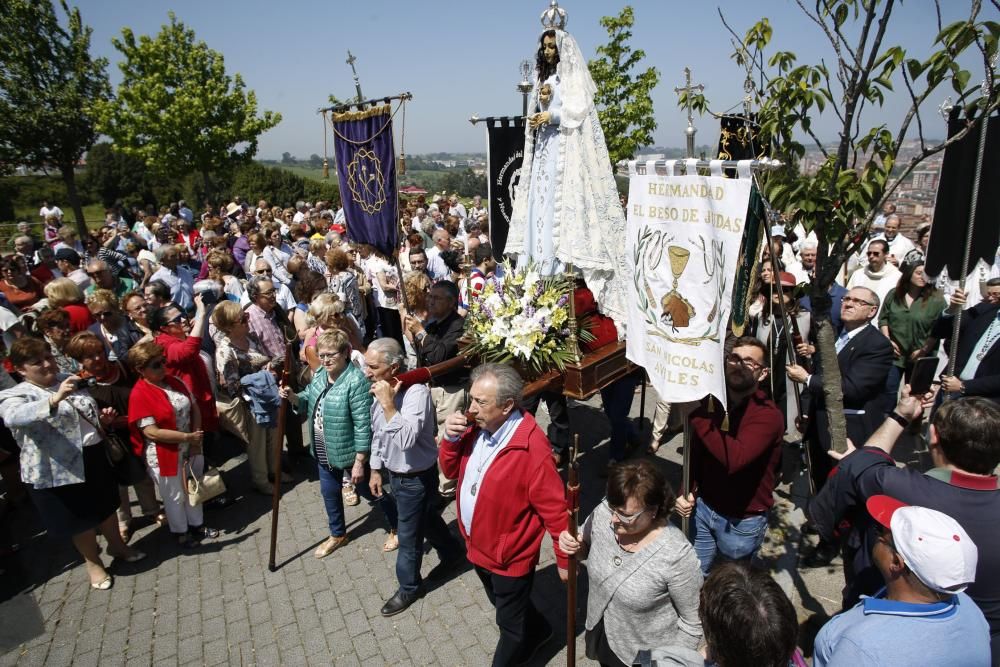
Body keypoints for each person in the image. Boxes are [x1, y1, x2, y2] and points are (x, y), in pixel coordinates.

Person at [808, 394, 1000, 658]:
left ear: (933, 436)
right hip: (979, 644)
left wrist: (900, 415)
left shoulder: (898, 487)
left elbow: (865, 460)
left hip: (889, 640)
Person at [440, 363, 568, 666]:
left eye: (480, 402)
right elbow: (450, 470)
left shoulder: (532, 449)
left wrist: (564, 559)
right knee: (503, 602)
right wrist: (450, 439)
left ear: (508, 405)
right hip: (477, 547)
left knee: (509, 627)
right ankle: (540, 630)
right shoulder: (474, 427)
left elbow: (555, 509)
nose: (471, 409)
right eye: (471, 399)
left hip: (508, 557)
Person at [0, 337, 145, 589]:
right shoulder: (15, 394)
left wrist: (101, 419)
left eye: (48, 357)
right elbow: (14, 417)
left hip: (94, 455)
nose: (47, 364)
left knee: (106, 506)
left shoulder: (67, 376)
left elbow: (83, 409)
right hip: (58, 469)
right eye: (37, 362)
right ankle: (93, 563)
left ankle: (117, 546)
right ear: (21, 369)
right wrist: (53, 400)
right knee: (80, 519)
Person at [507, 27, 628, 324]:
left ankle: (558, 273)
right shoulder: (543, 79)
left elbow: (578, 111)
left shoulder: (571, 78)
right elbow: (542, 108)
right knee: (538, 208)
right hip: (544, 154)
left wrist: (552, 115)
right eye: (545, 47)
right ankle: (536, 273)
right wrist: (536, 116)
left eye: (552, 46)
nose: (548, 51)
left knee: (557, 212)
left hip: (565, 154)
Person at [812, 495, 989, 666]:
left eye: (880, 533)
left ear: (896, 562)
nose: (877, 536)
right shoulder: (969, 608)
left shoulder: (859, 648)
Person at [558, 459, 702, 666]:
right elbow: (583, 546)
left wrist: (669, 663)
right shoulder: (606, 512)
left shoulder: (677, 555)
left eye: (625, 515)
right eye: (612, 507)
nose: (613, 519)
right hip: (603, 635)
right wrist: (573, 545)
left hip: (644, 658)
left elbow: (693, 624)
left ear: (653, 510)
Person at [364, 338, 464, 616]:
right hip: (396, 476)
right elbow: (379, 433)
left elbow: (406, 439)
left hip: (416, 477)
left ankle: (409, 587)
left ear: (394, 366)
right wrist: (375, 468)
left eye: (373, 366)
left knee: (408, 537)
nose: (367, 372)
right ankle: (454, 554)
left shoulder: (415, 393)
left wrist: (388, 405)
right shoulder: (384, 389)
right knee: (426, 517)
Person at [278, 330, 398, 559]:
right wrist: (293, 396)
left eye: (331, 355)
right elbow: (308, 398)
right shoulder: (321, 373)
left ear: (345, 353)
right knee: (329, 492)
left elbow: (363, 425)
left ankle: (397, 525)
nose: (325, 360)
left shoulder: (356, 382)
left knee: (373, 491)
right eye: (321, 355)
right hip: (323, 449)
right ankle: (338, 534)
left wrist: (360, 461)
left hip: (350, 453)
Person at [674, 337, 785, 575]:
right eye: (734, 358)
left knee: (730, 586)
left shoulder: (768, 415)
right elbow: (699, 450)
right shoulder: (713, 400)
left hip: (741, 522)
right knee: (695, 573)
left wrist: (696, 413)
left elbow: (735, 458)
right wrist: (688, 489)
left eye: (749, 361)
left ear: (763, 373)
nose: (739, 365)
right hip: (703, 508)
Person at [788, 287, 894, 492]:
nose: (848, 304)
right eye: (846, 299)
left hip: (848, 428)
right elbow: (822, 370)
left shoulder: (877, 345)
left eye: (857, 301)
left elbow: (852, 388)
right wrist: (806, 411)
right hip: (818, 422)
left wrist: (807, 379)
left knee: (842, 484)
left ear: (872, 312)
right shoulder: (833, 334)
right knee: (819, 478)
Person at [65, 332, 162, 543]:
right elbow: (81, 417)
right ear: (80, 360)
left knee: (144, 474)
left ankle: (152, 510)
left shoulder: (124, 368)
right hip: (111, 440)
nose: (98, 359)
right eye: (90, 356)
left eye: (99, 352)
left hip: (139, 430)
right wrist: (103, 422)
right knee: (118, 484)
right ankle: (123, 522)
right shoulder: (80, 385)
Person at [127, 341, 219, 548]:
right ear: (141, 370)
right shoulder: (139, 394)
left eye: (163, 362)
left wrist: (196, 438)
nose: (163, 367)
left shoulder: (175, 381)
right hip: (164, 454)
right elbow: (151, 432)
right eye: (156, 365)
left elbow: (194, 407)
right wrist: (187, 438)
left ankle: (197, 525)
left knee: (193, 487)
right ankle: (181, 532)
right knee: (174, 495)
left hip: (191, 445)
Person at [212, 301, 285, 495]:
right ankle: (260, 480)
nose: (248, 319)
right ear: (228, 326)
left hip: (268, 395)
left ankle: (275, 472)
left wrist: (268, 368)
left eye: (246, 316)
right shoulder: (225, 350)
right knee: (257, 445)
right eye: (242, 319)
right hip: (250, 403)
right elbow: (231, 384)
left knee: (274, 437)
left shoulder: (250, 338)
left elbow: (263, 359)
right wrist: (260, 376)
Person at [405, 280, 468, 497]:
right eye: (430, 296)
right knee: (430, 435)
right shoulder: (433, 323)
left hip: (450, 390)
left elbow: (440, 356)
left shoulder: (458, 326)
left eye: (437, 298)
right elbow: (424, 357)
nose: (430, 301)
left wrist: (421, 333)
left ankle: (446, 489)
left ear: (451, 302)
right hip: (432, 387)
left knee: (445, 438)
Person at [878, 259, 945, 409]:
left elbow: (939, 328)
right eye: (919, 273)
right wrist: (887, 339)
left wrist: (924, 350)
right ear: (909, 274)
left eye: (926, 275)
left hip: (921, 354)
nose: (923, 277)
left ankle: (913, 423)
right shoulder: (894, 294)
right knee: (888, 389)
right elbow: (883, 319)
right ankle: (887, 420)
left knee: (917, 392)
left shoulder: (937, 299)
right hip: (895, 353)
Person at [935, 286, 1000, 401]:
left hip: (984, 402)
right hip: (950, 390)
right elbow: (942, 331)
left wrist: (963, 386)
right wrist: (952, 309)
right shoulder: (984, 310)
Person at [86, 290, 145, 364]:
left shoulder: (131, 323)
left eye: (107, 313)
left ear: (116, 309)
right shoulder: (93, 332)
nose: (102, 317)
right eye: (97, 315)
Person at [846, 240, 901, 313]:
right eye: (869, 253)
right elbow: (847, 297)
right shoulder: (858, 274)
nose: (871, 256)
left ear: (886, 254)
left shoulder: (896, 277)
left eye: (876, 253)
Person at [150, 244, 194, 312]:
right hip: (176, 316)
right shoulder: (157, 279)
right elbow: (157, 303)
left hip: (193, 311)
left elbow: (193, 290)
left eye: (177, 255)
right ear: (162, 260)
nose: (177, 258)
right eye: (173, 256)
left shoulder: (184, 271)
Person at [35, 308, 81, 374]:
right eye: (61, 327)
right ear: (48, 332)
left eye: (67, 325)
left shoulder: (75, 343)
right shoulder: (45, 353)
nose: (67, 330)